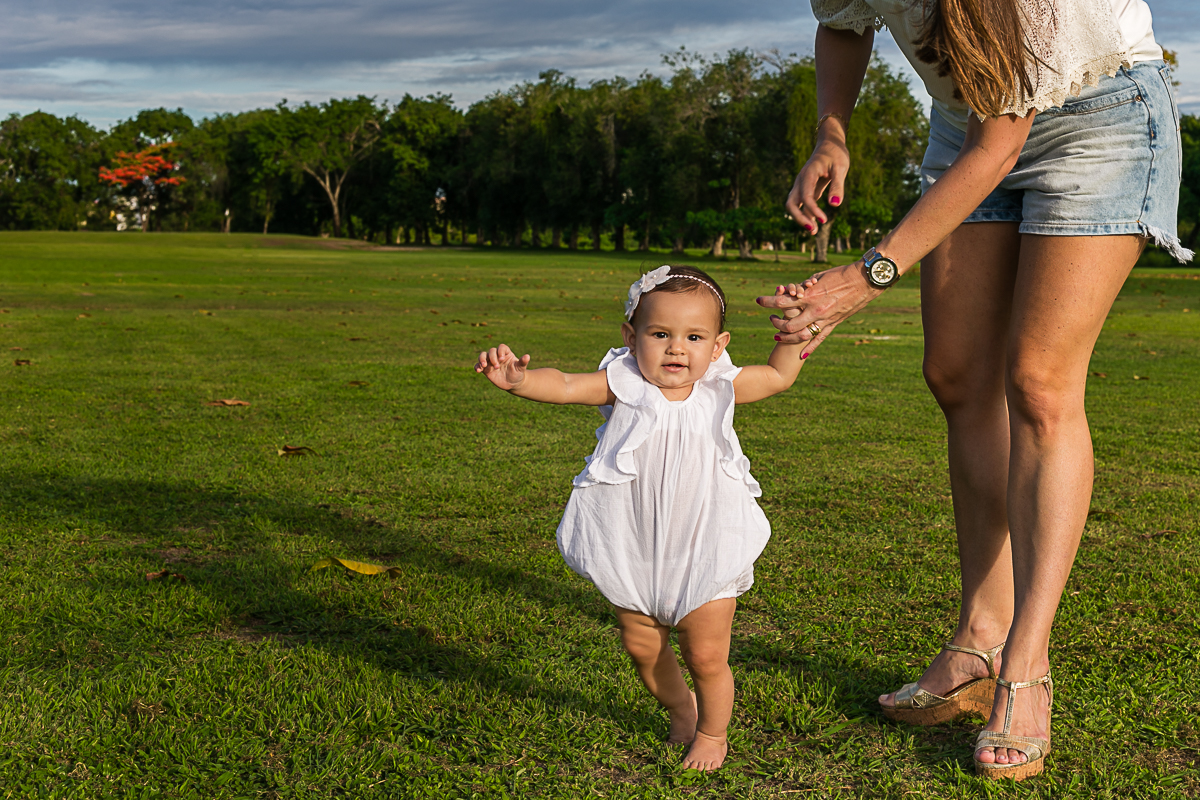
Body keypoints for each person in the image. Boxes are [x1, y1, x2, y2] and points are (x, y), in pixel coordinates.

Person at [758, 0, 1191, 782]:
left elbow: (1001, 146)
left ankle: (1026, 663)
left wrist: (867, 275)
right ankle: (978, 636)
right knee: (956, 374)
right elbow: (844, 22)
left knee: (1038, 382)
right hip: (969, 122)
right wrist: (832, 130)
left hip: (1100, 115)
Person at [475, 265, 809, 771]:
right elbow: (564, 384)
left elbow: (780, 375)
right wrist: (519, 382)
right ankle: (682, 711)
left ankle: (713, 734)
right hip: (635, 544)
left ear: (718, 346)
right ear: (632, 337)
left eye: (694, 337)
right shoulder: (624, 383)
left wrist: (791, 332)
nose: (677, 349)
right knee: (640, 644)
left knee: (706, 655)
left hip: (705, 546)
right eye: (660, 334)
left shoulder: (721, 387)